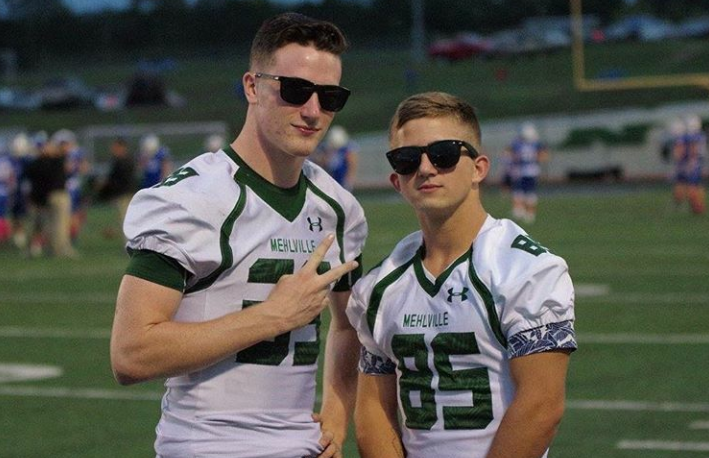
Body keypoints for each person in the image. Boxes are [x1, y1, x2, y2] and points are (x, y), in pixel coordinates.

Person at [110, 12, 367, 458]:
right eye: (294, 90)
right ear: (252, 87)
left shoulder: (337, 207)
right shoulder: (194, 198)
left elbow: (348, 326)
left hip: (303, 445)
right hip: (208, 447)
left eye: (330, 97)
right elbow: (132, 354)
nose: (312, 110)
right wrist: (272, 317)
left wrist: (339, 407)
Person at [346, 92, 576, 458]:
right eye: (407, 160)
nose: (425, 169)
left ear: (479, 168)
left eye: (444, 154)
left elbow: (541, 407)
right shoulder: (378, 286)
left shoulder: (527, 269)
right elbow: (373, 409)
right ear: (396, 180)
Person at [24, 134, 76, 258]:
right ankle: (58, 248)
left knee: (51, 225)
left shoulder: (49, 160)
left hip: (45, 197)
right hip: (50, 196)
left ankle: (52, 247)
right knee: (55, 224)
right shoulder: (49, 161)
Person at [503, 122, 549, 224]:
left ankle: (521, 211)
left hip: (521, 170)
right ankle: (528, 213)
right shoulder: (536, 143)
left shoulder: (518, 143)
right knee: (529, 193)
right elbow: (544, 156)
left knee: (519, 192)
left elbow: (509, 154)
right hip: (532, 171)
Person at [52, 129, 90, 243]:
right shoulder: (71, 153)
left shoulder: (68, 154)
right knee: (71, 213)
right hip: (70, 185)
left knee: (73, 213)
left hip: (71, 185)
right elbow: (84, 168)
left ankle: (71, 236)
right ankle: (69, 236)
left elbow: (84, 168)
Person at [97, 137, 136, 238]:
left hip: (124, 195)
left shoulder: (125, 161)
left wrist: (105, 185)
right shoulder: (119, 160)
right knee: (123, 220)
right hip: (121, 194)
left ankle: (130, 245)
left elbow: (118, 179)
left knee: (126, 221)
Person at [672, 114, 706, 215]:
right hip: (693, 163)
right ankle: (696, 206)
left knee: (691, 186)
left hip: (691, 163)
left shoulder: (689, 137)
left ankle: (697, 206)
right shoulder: (698, 136)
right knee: (690, 186)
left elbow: (689, 151)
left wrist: (690, 161)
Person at [313, 125, 359, 191]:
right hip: (332, 177)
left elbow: (352, 164)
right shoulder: (327, 149)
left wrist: (349, 179)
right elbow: (323, 163)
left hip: (342, 177)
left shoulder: (347, 149)